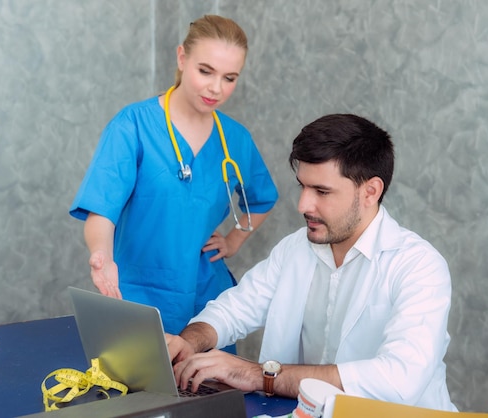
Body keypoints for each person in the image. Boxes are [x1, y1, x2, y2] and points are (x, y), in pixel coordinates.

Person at [166, 113, 458, 411]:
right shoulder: (295, 248)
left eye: (321, 191)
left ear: (370, 191)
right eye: (302, 186)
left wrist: (260, 375)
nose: (303, 205)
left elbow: (399, 380)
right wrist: (190, 341)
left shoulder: (419, 266)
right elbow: (234, 309)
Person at [69, 15, 278, 342]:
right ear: (182, 58)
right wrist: (101, 255)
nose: (216, 88)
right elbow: (102, 208)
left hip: (207, 298)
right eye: (205, 71)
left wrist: (234, 240)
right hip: (139, 292)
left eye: (229, 78)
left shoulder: (235, 139)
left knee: (209, 389)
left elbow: (262, 197)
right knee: (145, 389)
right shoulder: (133, 125)